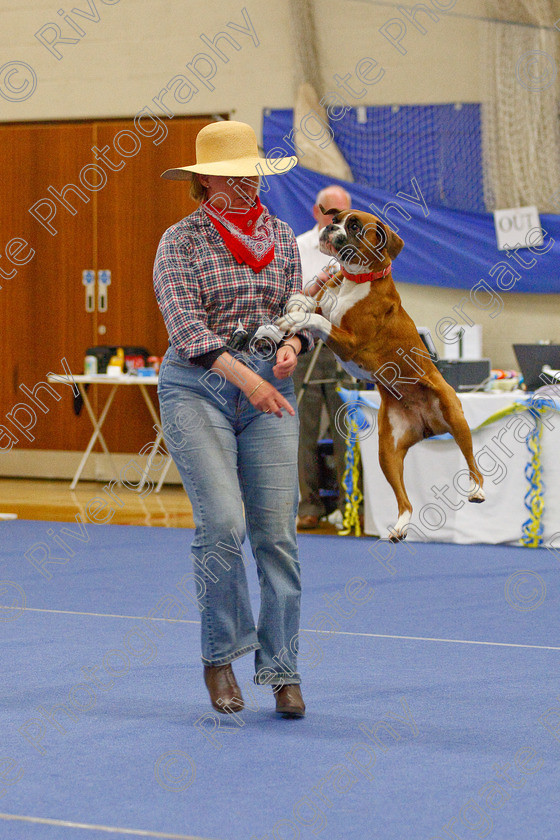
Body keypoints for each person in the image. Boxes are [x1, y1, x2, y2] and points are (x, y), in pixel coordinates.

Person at [153, 121, 312, 718]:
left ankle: (283, 671)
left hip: (267, 387)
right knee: (223, 524)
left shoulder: (280, 236)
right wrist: (250, 378)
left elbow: (294, 309)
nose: (249, 183)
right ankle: (220, 657)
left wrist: (292, 347)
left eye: (254, 173)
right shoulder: (180, 242)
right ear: (208, 183)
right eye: (236, 175)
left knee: (277, 536)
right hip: (199, 388)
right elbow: (189, 331)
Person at [293, 185, 352, 530]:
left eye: (344, 215)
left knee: (348, 431)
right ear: (317, 212)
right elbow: (293, 300)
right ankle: (309, 506)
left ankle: (350, 504)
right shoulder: (298, 247)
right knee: (305, 432)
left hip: (345, 349)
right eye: (332, 215)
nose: (338, 222)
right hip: (307, 348)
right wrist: (318, 288)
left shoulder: (357, 249)